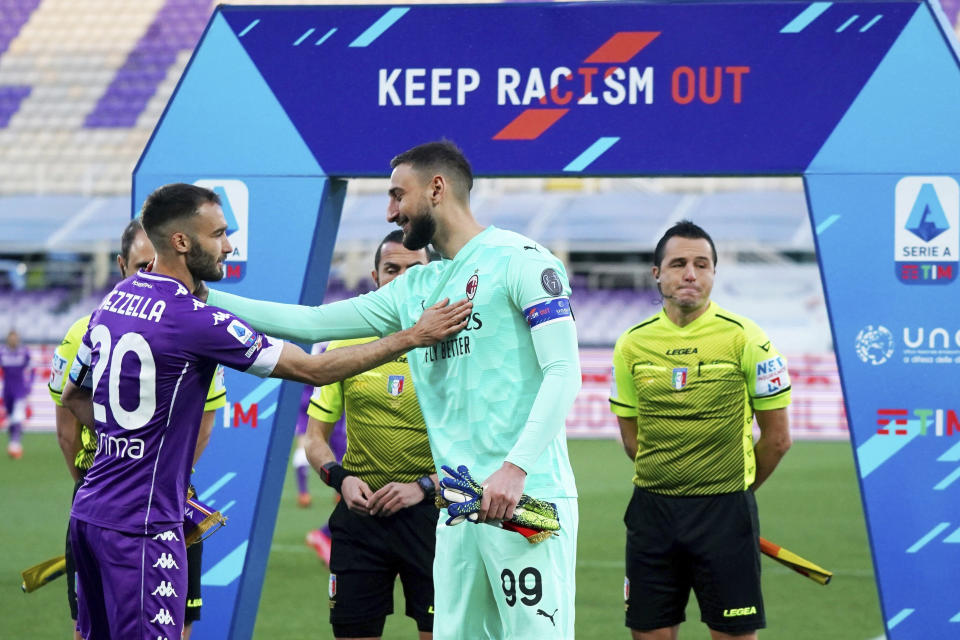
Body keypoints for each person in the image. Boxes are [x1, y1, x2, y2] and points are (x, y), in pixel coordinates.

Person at [203, 140, 582, 639]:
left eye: (397, 195)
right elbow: (312, 323)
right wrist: (201, 294)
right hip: (458, 508)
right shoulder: (414, 289)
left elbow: (563, 369)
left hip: (525, 498)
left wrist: (516, 468)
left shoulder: (522, 261)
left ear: (436, 189)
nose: (390, 211)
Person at [59, 182, 471, 640]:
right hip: (144, 525)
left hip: (89, 514)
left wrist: (133, 438)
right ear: (181, 241)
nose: (229, 245)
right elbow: (313, 369)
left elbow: (74, 398)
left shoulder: (112, 303)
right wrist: (409, 337)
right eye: (217, 234)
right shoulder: (197, 319)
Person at [608, 220, 793, 640]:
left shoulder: (748, 339)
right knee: (649, 633)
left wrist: (734, 492)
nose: (690, 273)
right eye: (678, 263)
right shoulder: (631, 344)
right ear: (657, 273)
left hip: (725, 514)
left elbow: (778, 440)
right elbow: (632, 439)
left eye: (702, 264)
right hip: (652, 514)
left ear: (713, 272)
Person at [48, 218, 226, 640]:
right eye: (143, 266)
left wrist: (158, 475)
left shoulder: (193, 328)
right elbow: (66, 428)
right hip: (100, 495)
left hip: (167, 498)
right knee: (90, 627)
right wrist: (102, 478)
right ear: (122, 265)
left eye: (160, 265)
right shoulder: (84, 329)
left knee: (174, 627)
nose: (154, 276)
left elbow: (203, 424)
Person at [304, 229, 436, 639]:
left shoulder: (456, 347)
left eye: (415, 270)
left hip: (434, 516)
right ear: (375, 278)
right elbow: (314, 440)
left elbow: (481, 448)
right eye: (391, 269)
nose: (401, 279)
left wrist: (425, 486)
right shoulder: (346, 343)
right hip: (362, 519)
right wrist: (339, 480)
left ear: (435, 278)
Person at [0, 328, 32, 458]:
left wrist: (29, 385)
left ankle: (15, 444)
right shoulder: (2, 352)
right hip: (7, 390)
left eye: (15, 337)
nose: (13, 340)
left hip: (19, 390)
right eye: (11, 338)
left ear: (18, 339)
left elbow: (32, 369)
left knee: (17, 417)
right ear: (8, 339)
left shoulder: (24, 352)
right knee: (10, 417)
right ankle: (13, 441)